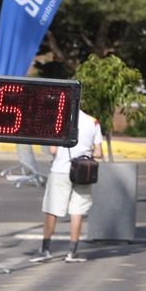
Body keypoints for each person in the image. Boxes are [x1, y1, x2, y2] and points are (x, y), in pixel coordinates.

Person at [32, 109, 104, 263]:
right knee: (77, 211)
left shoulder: (59, 120)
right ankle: (72, 252)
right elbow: (99, 153)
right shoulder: (93, 121)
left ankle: (45, 250)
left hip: (60, 171)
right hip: (82, 172)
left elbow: (53, 150)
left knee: (52, 210)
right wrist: (84, 151)